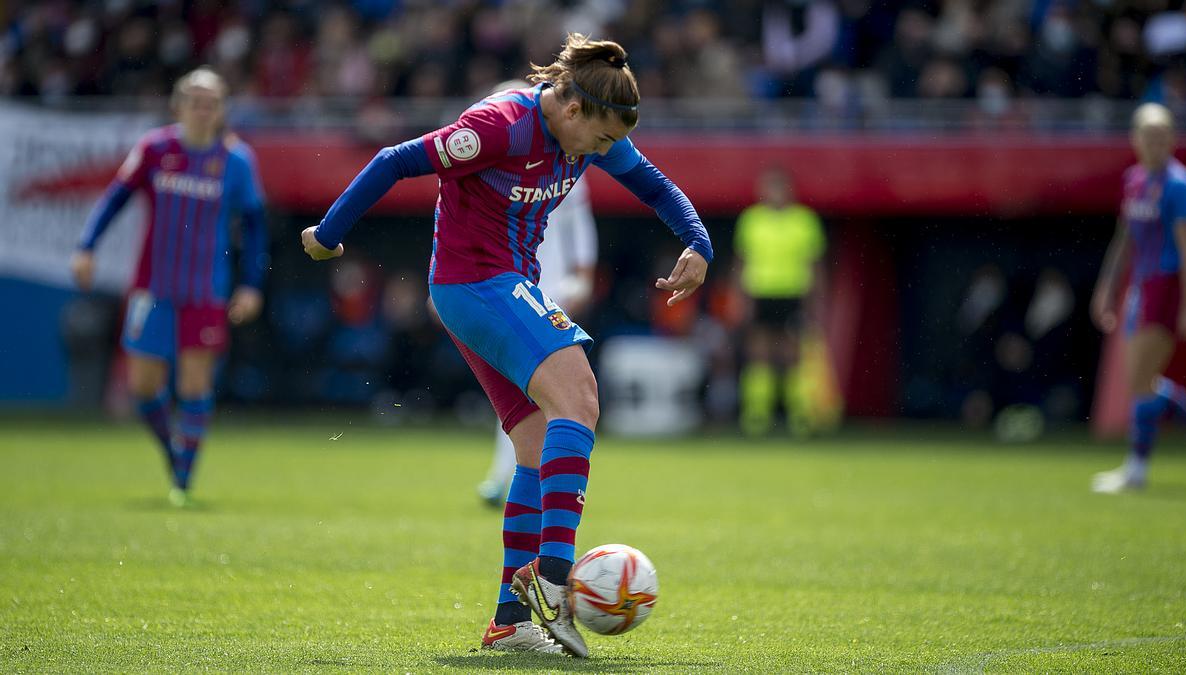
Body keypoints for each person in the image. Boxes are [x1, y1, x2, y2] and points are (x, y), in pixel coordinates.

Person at [301, 34, 711, 657]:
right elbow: (392, 161)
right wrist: (329, 234)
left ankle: (511, 621)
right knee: (581, 397)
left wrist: (698, 243)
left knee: (537, 442)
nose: (605, 152)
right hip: (475, 285)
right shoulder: (500, 126)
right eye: (601, 139)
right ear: (573, 110)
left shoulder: (590, 129)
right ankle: (553, 577)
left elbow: (655, 187)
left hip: (504, 285)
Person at [70, 67, 269, 506]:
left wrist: (252, 284)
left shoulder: (237, 162)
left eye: (211, 102)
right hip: (152, 288)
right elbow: (115, 197)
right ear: (177, 106)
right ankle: (173, 450)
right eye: (195, 101)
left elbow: (255, 226)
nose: (203, 110)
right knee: (143, 386)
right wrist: (87, 246)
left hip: (206, 291)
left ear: (221, 111)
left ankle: (183, 480)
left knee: (195, 385)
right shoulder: (155, 148)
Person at [474, 81, 599, 510]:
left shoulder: (565, 160)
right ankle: (515, 478)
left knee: (549, 393)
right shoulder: (495, 164)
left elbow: (579, 226)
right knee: (519, 392)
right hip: (507, 285)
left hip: (552, 287)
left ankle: (528, 480)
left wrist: (582, 276)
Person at [1091, 102, 1186, 493]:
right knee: (1142, 382)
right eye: (1148, 135)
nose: (1156, 143)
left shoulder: (1181, 184)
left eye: (1163, 135)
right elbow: (1124, 240)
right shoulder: (1134, 179)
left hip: (1166, 284)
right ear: (1135, 139)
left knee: (1140, 380)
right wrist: (1106, 287)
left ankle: (1136, 468)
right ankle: (1137, 465)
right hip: (1140, 285)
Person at [733, 166, 831, 436]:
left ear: (789, 190)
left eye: (778, 187)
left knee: (793, 356)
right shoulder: (751, 220)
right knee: (759, 354)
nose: (773, 193)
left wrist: (816, 301)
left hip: (793, 293)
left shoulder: (804, 221)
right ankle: (756, 417)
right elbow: (741, 262)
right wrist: (739, 298)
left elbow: (815, 264)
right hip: (760, 293)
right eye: (768, 188)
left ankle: (799, 416)